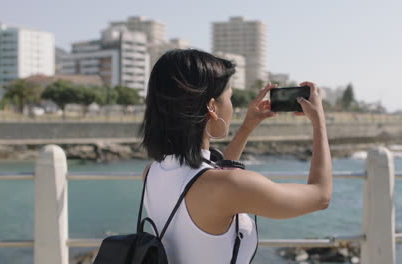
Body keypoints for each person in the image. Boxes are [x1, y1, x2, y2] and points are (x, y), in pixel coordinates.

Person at [138, 49, 332, 263]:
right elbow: (321, 196)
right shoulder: (230, 186)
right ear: (212, 107)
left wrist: (247, 127)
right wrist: (319, 122)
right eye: (229, 98)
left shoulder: (152, 173)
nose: (232, 107)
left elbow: (211, 182)